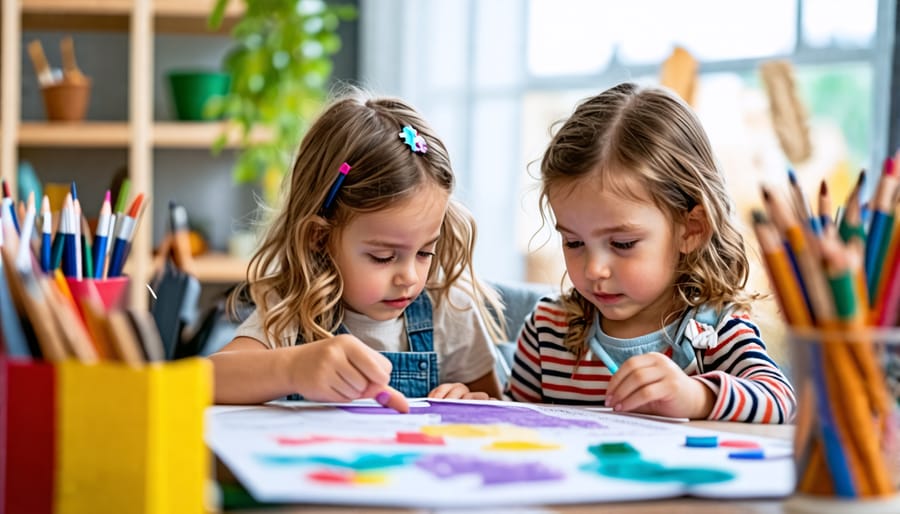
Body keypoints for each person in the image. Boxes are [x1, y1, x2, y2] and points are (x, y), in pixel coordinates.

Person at [508, 82, 796, 423]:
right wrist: (477, 403)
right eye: (574, 242)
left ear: (691, 229)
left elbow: (780, 400)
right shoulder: (546, 331)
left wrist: (698, 396)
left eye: (622, 244)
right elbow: (514, 419)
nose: (595, 269)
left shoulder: (714, 331)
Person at [210, 89, 505, 407]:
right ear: (319, 237)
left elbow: (494, 407)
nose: (409, 276)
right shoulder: (289, 309)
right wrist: (292, 367)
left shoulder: (450, 310)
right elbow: (206, 380)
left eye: (425, 253)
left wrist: (468, 401)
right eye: (383, 257)